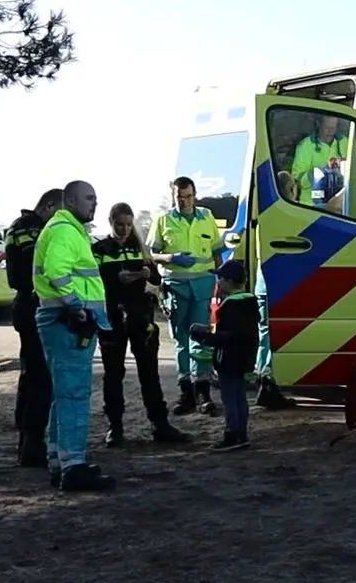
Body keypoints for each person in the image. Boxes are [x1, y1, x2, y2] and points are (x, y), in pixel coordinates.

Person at [34, 180, 117, 492]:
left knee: (63, 395)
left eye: (95, 198)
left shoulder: (64, 229)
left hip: (61, 321)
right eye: (88, 198)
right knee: (74, 396)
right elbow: (57, 271)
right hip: (67, 323)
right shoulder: (66, 230)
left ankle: (62, 462)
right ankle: (73, 468)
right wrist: (76, 306)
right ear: (69, 200)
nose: (93, 204)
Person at [92, 202, 189, 446]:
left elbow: (156, 277)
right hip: (112, 318)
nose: (124, 229)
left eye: (127, 224)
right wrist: (119, 279)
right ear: (110, 222)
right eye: (119, 225)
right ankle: (115, 427)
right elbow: (96, 282)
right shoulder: (100, 250)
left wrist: (147, 274)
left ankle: (160, 424)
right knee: (113, 374)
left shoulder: (139, 248)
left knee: (150, 372)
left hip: (141, 317)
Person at [150, 177, 226, 417]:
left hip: (203, 285)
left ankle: (203, 392)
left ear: (195, 195)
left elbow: (216, 252)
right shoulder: (163, 220)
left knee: (201, 338)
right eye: (179, 197)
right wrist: (171, 258)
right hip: (176, 286)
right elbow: (152, 253)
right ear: (173, 197)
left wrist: (221, 283)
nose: (184, 201)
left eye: (188, 196)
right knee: (181, 339)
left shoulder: (206, 217)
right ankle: (186, 393)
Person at [5, 189, 62, 468]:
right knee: (41, 377)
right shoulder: (31, 230)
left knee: (31, 373)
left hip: (27, 305)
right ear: (49, 206)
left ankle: (27, 439)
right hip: (35, 303)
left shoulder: (21, 227)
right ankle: (32, 441)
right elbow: (38, 266)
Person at [200, 258, 259, 451]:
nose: (218, 283)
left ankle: (232, 434)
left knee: (230, 399)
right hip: (244, 358)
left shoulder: (230, 306)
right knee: (240, 397)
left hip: (228, 359)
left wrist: (206, 338)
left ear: (228, 281)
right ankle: (242, 433)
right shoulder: (250, 302)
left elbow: (229, 336)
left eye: (221, 279)